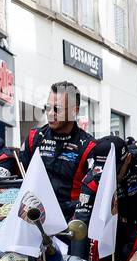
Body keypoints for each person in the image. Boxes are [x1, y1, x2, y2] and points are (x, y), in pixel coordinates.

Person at [20, 82, 97, 219]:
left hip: (69, 225)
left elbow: (92, 195)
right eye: (47, 107)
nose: (50, 113)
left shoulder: (88, 146)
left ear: (75, 110)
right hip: (34, 219)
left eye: (57, 109)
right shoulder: (35, 137)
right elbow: (19, 179)